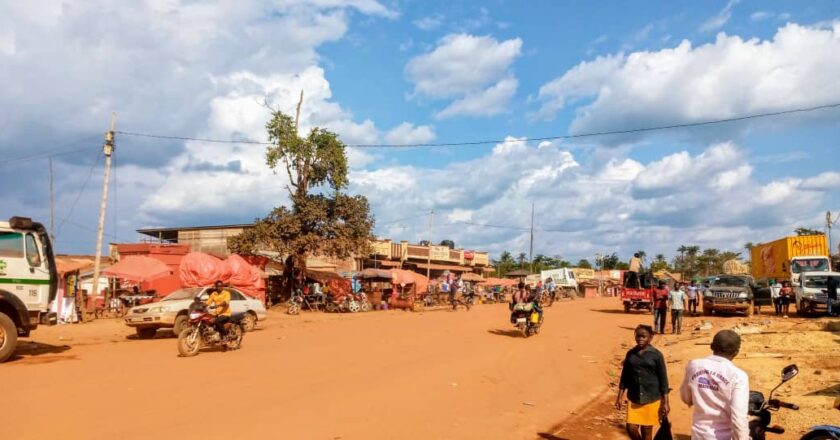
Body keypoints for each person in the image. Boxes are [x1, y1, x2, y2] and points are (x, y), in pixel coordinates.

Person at [679, 330, 749, 440]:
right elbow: (738, 418)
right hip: (724, 436)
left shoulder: (694, 365)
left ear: (711, 346)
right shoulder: (738, 376)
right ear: (736, 352)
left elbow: (686, 398)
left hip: (698, 434)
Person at [615, 325, 670, 440]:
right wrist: (619, 397)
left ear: (650, 338)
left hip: (651, 398)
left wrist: (666, 402)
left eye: (643, 336)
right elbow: (625, 376)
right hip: (634, 398)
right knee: (631, 428)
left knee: (646, 433)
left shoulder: (656, 355)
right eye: (638, 336)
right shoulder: (630, 354)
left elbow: (663, 379)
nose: (640, 339)